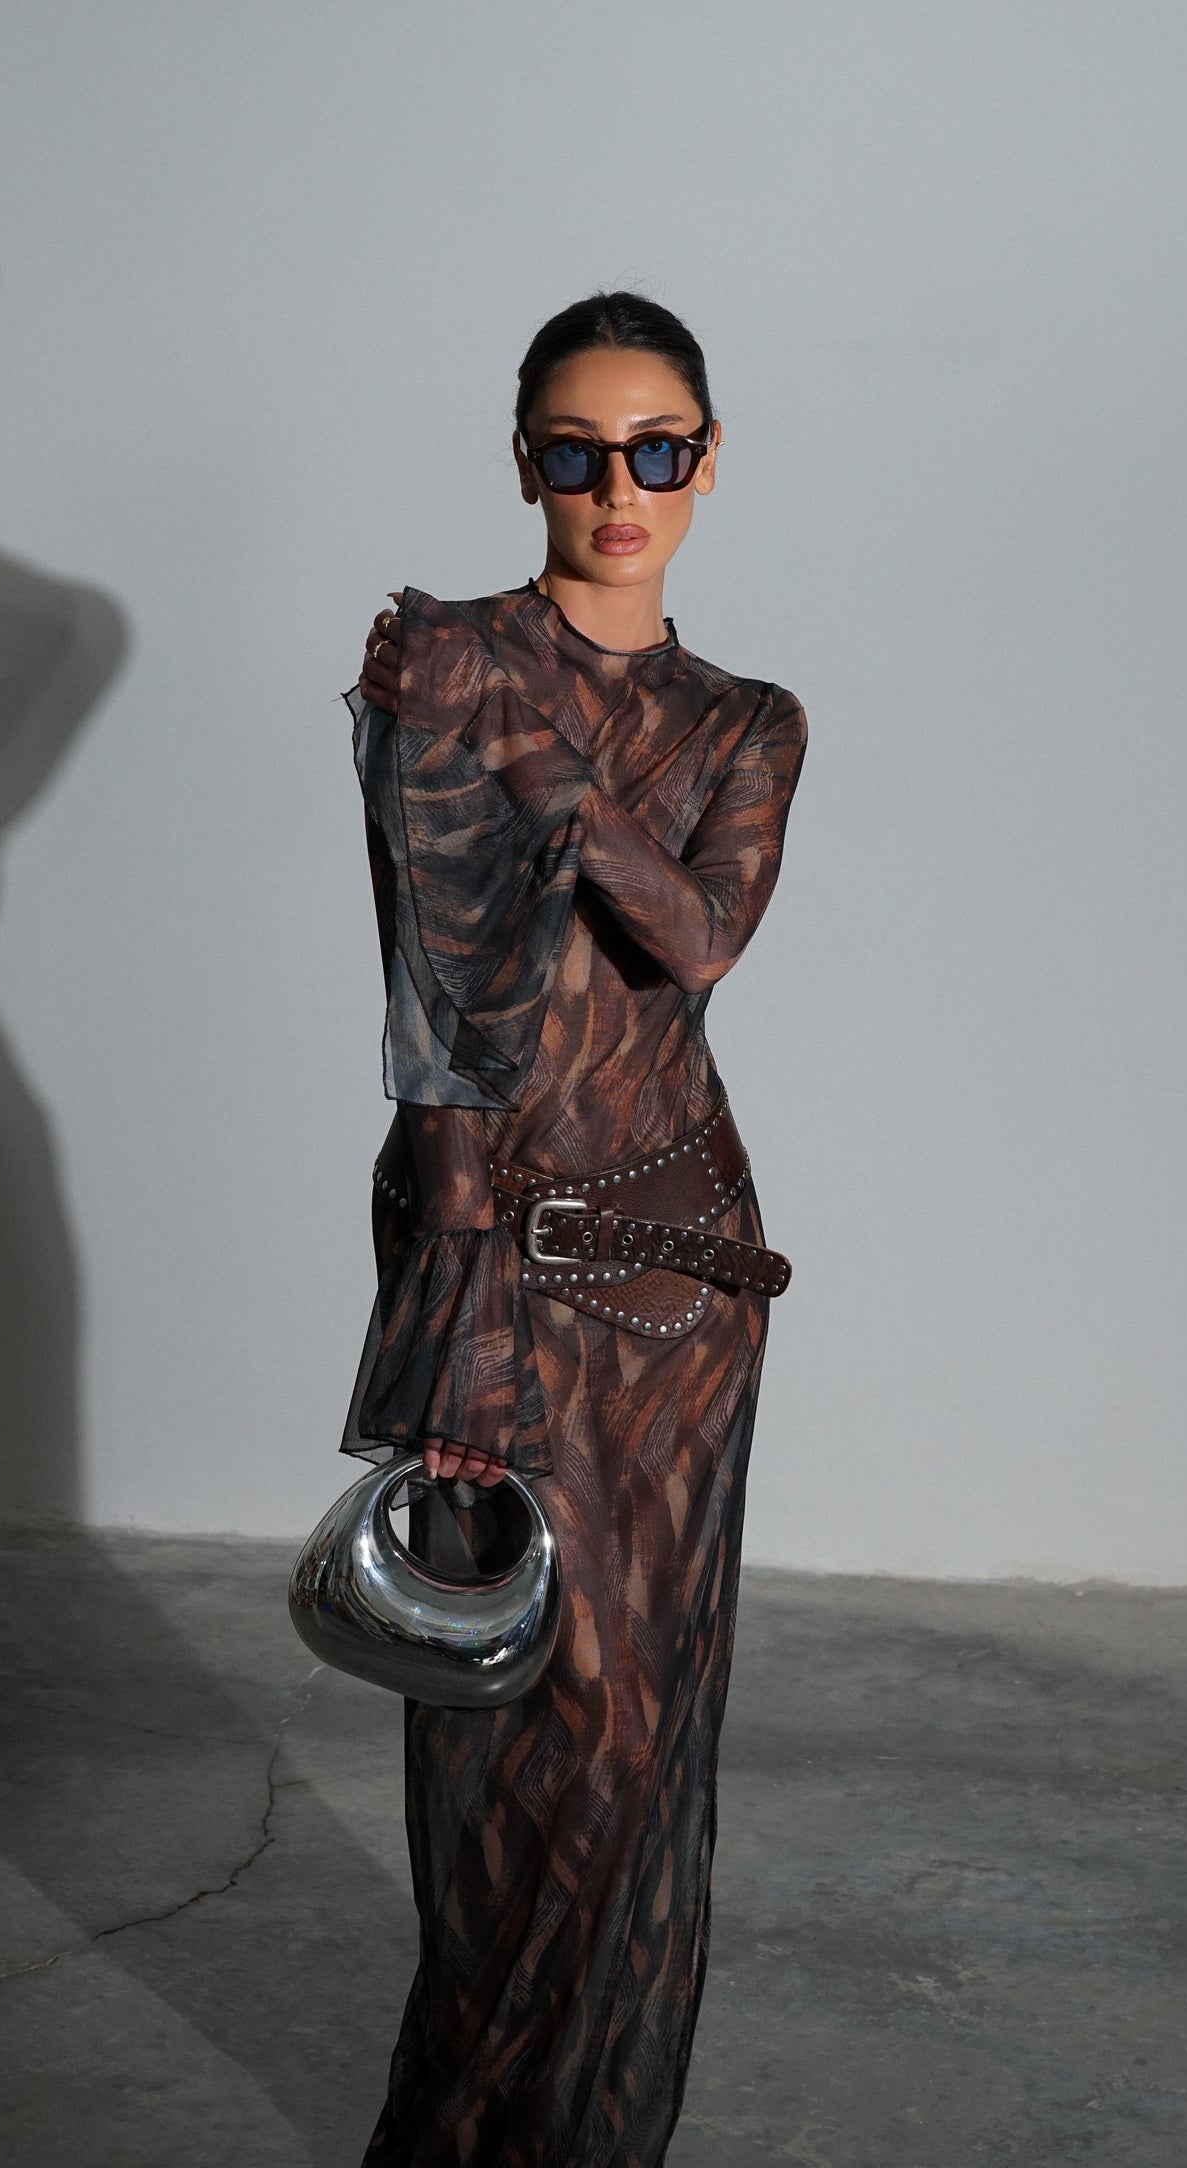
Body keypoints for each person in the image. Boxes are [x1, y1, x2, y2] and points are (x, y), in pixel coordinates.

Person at [342, 290, 808, 2168]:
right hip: (490, 1260)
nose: (619, 489)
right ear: (522, 461)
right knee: (501, 1765)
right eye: (575, 452)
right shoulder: (445, 660)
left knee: (638, 1757)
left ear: (709, 460)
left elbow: (694, 939)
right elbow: (439, 1019)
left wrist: (542, 765)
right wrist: (451, 1322)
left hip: (683, 1276)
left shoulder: (747, 719)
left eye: (657, 450)